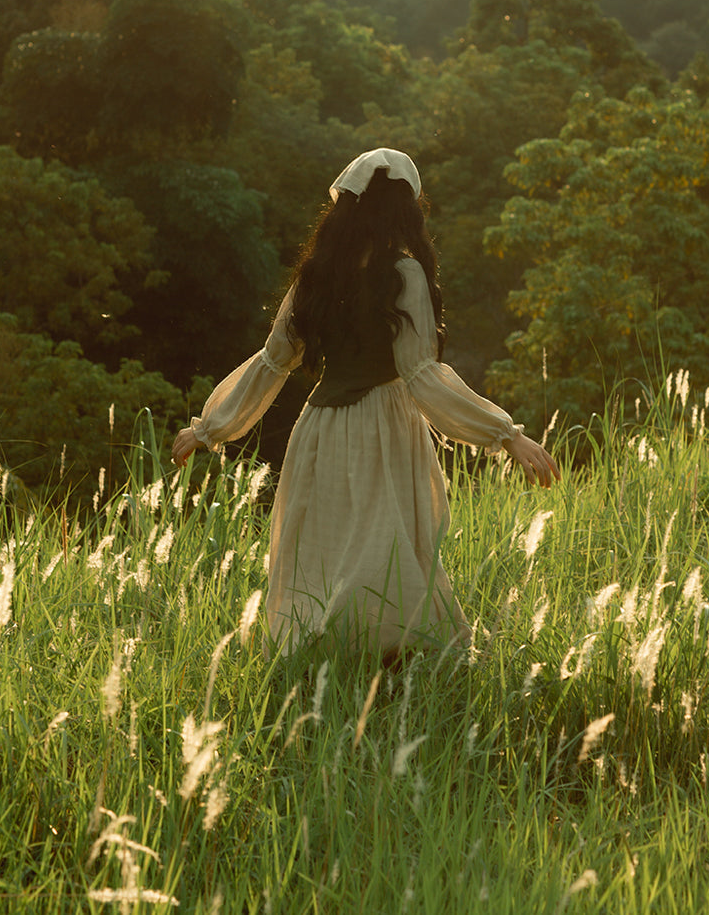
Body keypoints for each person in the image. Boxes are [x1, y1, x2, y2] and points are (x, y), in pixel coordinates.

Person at [171, 148, 560, 658]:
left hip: (322, 428)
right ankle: (382, 659)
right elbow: (422, 375)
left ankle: (343, 660)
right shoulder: (404, 274)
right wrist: (506, 434)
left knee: (331, 549)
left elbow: (273, 362)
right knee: (382, 547)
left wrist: (210, 428)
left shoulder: (317, 273)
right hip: (382, 423)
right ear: (407, 211)